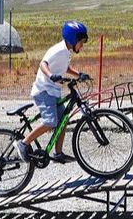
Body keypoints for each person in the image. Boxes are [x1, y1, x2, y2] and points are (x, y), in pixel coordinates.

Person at [14, 21, 90, 163]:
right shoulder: (59, 50)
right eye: (81, 42)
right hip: (43, 90)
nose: (82, 45)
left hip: (53, 91)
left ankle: (58, 153)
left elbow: (65, 68)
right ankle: (23, 143)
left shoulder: (66, 52)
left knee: (63, 120)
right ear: (73, 39)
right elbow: (43, 64)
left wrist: (79, 74)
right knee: (50, 122)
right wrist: (50, 75)